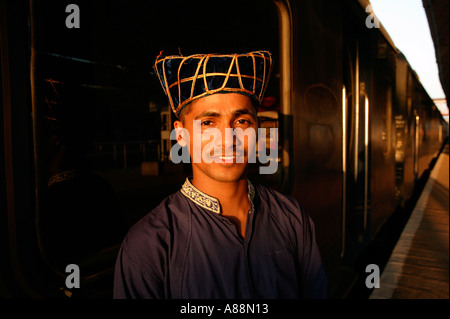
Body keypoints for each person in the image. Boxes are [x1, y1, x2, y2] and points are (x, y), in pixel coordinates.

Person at [113, 50, 327, 298]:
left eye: (242, 121)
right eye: (208, 123)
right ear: (181, 136)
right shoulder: (150, 245)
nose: (228, 139)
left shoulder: (292, 219)